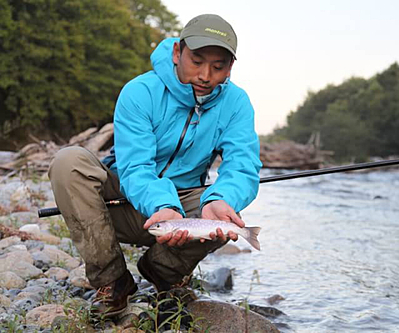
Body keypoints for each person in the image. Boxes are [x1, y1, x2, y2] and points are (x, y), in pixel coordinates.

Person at [48, 13, 262, 317]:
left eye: (218, 67)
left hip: (185, 211)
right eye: (197, 61)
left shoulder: (237, 103)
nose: (205, 75)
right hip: (122, 200)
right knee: (68, 161)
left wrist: (222, 199)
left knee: (229, 216)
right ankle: (113, 282)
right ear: (177, 52)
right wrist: (162, 204)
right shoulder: (140, 92)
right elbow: (136, 166)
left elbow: (243, 165)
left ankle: (163, 273)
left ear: (230, 68)